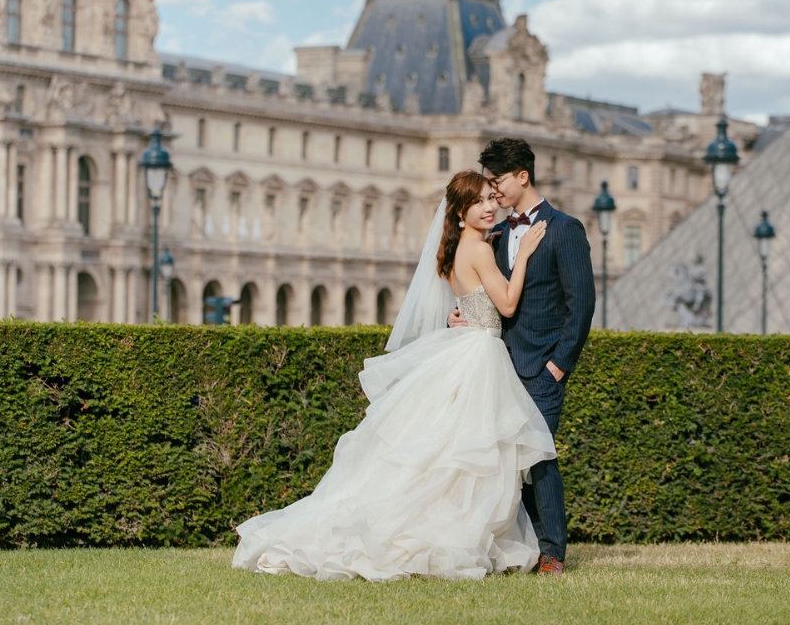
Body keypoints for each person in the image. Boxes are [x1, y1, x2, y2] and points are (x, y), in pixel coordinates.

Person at [232, 171, 556, 581]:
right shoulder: (481, 251)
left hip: (467, 348)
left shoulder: (460, 250)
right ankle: (457, 534)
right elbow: (507, 306)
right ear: (460, 212)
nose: (491, 206)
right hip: (479, 354)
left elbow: (472, 304)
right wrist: (524, 252)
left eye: (492, 198)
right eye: (480, 202)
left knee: (445, 454)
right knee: (465, 457)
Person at [449, 138, 596, 575]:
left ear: (522, 177)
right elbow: (487, 295)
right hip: (498, 365)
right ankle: (525, 546)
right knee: (501, 460)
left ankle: (552, 552)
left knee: (537, 456)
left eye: (496, 182)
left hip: (542, 368)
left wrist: (559, 365)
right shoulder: (494, 236)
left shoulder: (565, 229)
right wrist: (465, 316)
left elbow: (582, 305)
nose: (492, 192)